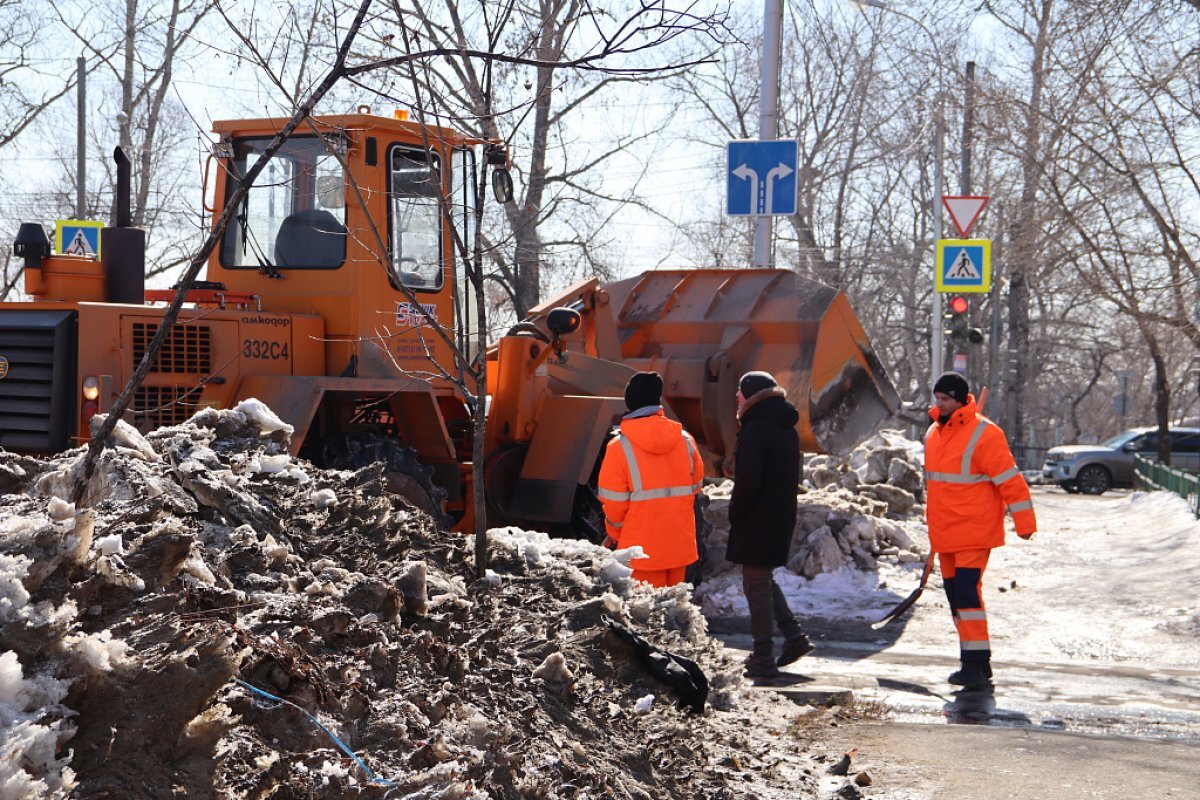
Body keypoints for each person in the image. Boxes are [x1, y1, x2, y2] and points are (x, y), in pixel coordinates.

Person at [925, 372, 1037, 691]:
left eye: (944, 399)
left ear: (960, 399)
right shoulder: (934, 433)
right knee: (955, 598)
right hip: (945, 533)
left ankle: (973, 666)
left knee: (966, 594)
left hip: (974, 530)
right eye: (937, 399)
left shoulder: (986, 434)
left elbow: (1010, 480)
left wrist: (1024, 523)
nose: (939, 404)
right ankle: (975, 661)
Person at [727, 371, 813, 678]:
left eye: (739, 391)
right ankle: (794, 637)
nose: (736, 396)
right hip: (777, 515)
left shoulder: (756, 429)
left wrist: (736, 511)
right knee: (762, 579)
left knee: (756, 586)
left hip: (757, 518)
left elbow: (748, 481)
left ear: (751, 394)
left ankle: (762, 657)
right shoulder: (783, 427)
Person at [598, 371, 704, 587]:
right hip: (679, 549)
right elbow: (695, 493)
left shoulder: (619, 447)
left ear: (629, 403)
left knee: (646, 617)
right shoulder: (685, 440)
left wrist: (616, 536)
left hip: (640, 553)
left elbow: (615, 506)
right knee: (676, 614)